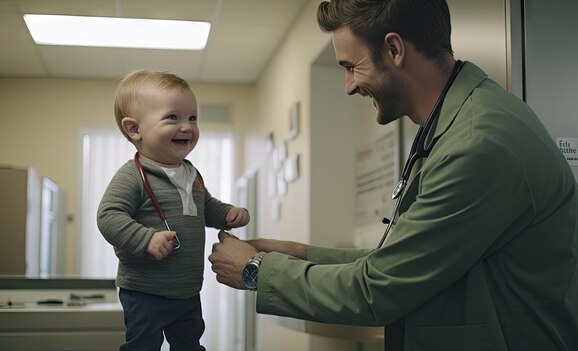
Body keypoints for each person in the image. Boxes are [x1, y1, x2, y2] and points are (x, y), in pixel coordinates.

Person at [208, 0, 578, 350]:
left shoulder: (476, 145)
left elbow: (378, 290)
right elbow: (403, 261)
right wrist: (301, 255)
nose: (349, 86)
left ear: (395, 50)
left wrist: (254, 270)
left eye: (351, 67)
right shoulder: (458, 125)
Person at [97, 69, 250, 351]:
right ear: (134, 129)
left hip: (187, 290)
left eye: (192, 118)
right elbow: (108, 216)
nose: (187, 127)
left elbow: (204, 206)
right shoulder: (133, 175)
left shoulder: (191, 172)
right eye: (173, 117)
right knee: (143, 346)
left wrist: (227, 213)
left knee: (190, 345)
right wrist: (146, 239)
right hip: (145, 291)